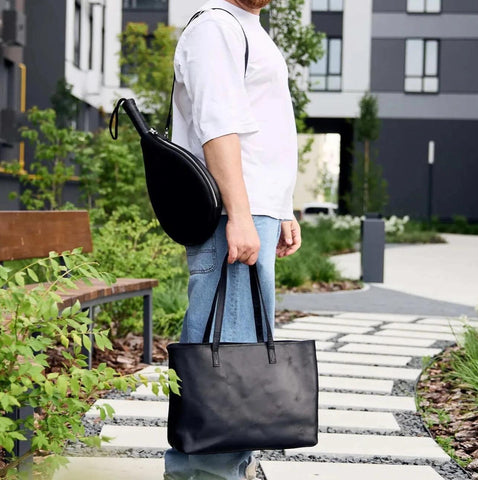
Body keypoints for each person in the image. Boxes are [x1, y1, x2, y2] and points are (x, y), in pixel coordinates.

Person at [164, 0, 301, 478]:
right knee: (222, 352)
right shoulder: (216, 27)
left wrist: (281, 206)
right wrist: (239, 213)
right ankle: (203, 472)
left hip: (253, 209)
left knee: (240, 352)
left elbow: (269, 127)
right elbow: (216, 126)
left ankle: (229, 467)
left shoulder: (249, 28)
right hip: (230, 213)